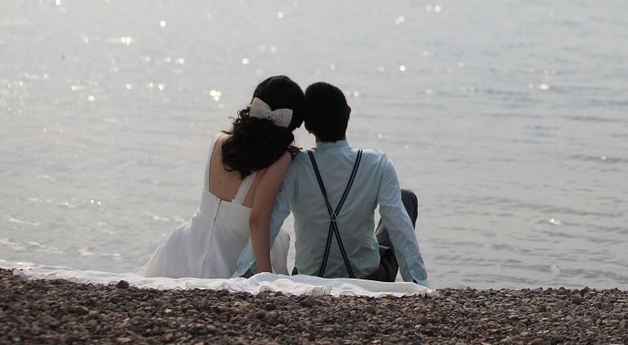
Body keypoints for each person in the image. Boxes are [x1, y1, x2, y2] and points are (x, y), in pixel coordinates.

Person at [236, 81, 428, 286]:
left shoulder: (295, 165)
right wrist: (419, 284)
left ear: (307, 126)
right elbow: (399, 228)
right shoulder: (377, 163)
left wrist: (244, 272)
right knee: (405, 198)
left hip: (308, 278)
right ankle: (413, 278)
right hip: (367, 278)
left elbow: (272, 221)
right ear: (349, 112)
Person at [140, 75, 303, 278]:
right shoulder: (281, 158)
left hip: (185, 246)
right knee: (279, 238)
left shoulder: (219, 140)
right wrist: (265, 277)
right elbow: (257, 221)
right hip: (230, 253)